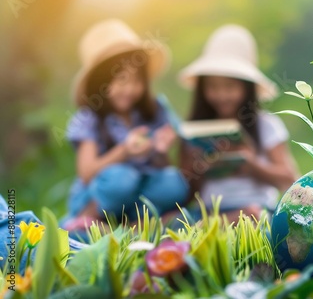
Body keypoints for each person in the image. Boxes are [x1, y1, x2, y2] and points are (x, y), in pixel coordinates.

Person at [63, 19, 188, 230]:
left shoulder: (153, 110)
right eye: (120, 81)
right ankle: (89, 217)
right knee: (122, 178)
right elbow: (86, 172)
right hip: (103, 196)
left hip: (137, 197)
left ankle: (130, 225)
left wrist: (160, 150)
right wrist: (124, 151)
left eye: (137, 81)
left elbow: (164, 166)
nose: (129, 89)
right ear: (101, 83)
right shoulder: (91, 118)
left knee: (174, 182)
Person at [178, 24, 298, 220]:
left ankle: (212, 228)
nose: (221, 95)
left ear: (247, 88)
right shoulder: (194, 130)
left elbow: (289, 179)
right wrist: (197, 168)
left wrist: (252, 165)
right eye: (213, 87)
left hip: (255, 209)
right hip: (208, 211)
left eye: (230, 87)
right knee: (170, 219)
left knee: (251, 216)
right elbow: (187, 194)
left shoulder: (266, 125)